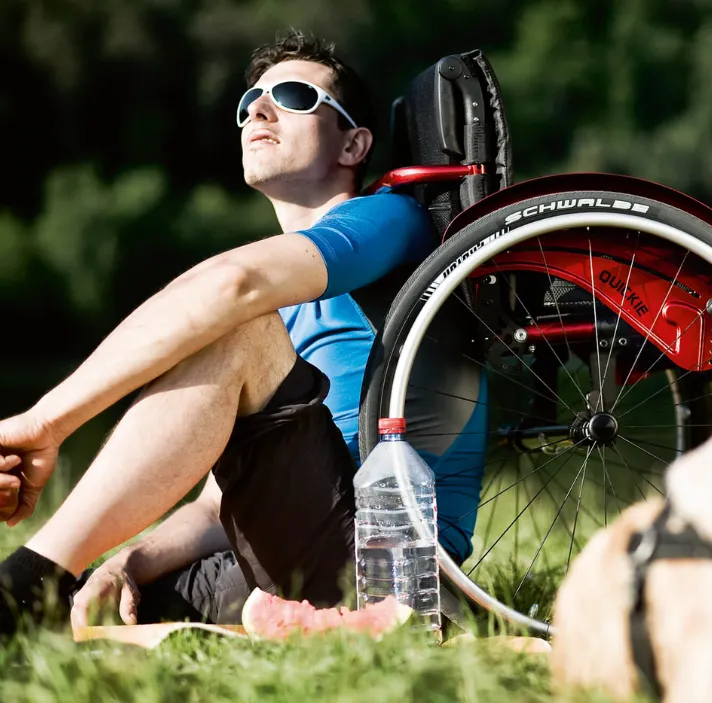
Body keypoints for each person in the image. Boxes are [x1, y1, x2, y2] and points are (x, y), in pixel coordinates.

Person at [0, 30, 486, 633]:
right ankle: (47, 589)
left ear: (353, 143)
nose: (257, 109)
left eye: (291, 96)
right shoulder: (280, 303)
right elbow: (215, 502)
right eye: (248, 101)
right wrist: (131, 558)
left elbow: (232, 286)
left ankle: (24, 583)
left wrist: (47, 422)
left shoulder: (391, 221)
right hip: (297, 543)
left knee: (234, 326)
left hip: (389, 560)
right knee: (100, 612)